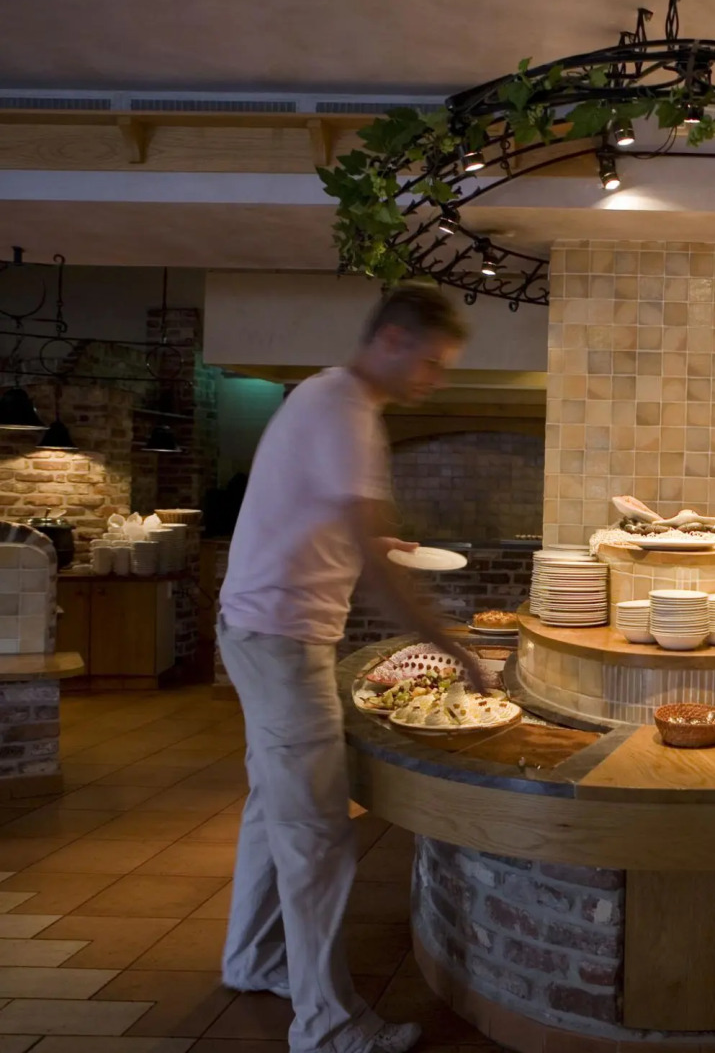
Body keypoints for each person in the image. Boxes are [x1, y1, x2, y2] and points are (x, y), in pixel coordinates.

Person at [217, 284, 487, 1053]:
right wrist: (455, 645)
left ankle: (254, 958)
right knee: (317, 835)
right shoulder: (348, 411)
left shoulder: (322, 397)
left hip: (254, 629)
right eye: (433, 364)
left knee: (275, 811)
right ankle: (326, 1026)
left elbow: (333, 527)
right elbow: (373, 557)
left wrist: (375, 545)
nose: (433, 380)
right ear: (394, 340)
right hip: (282, 639)